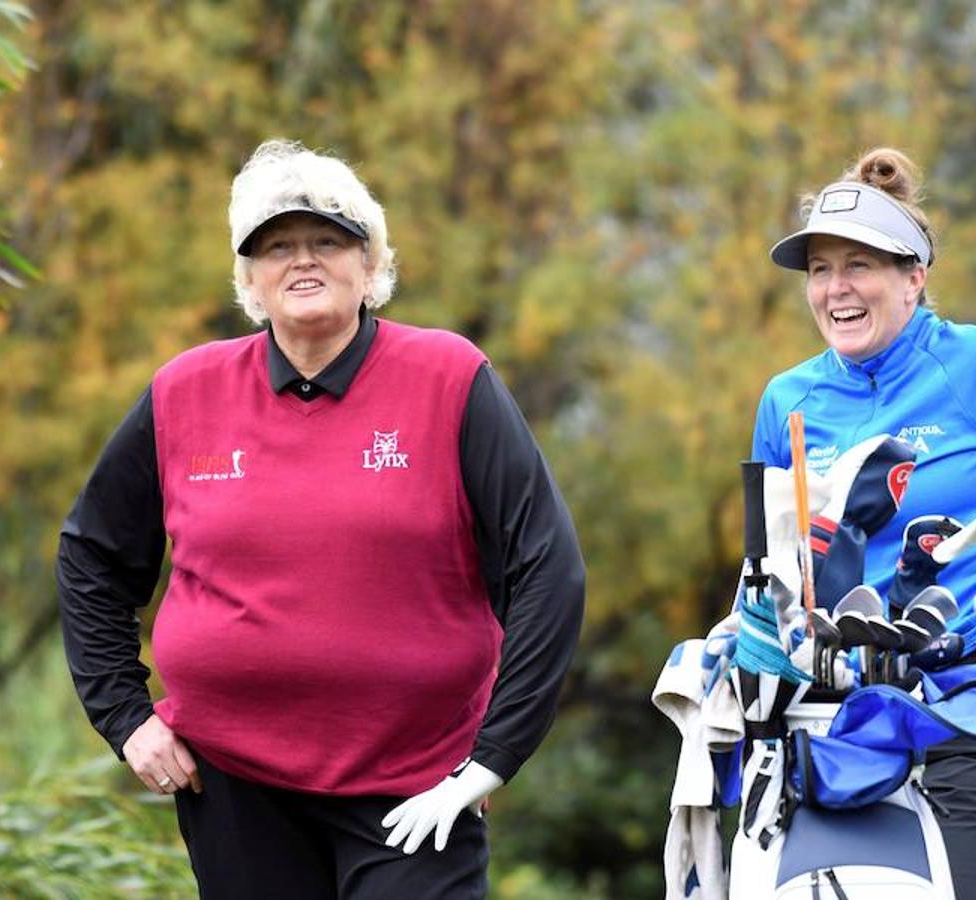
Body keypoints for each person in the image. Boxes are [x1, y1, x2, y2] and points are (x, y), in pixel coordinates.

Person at [57, 139, 586, 899]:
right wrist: (125, 716)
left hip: (414, 789)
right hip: (232, 787)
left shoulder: (451, 377)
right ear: (250, 281)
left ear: (370, 267)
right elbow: (91, 558)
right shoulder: (184, 391)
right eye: (276, 248)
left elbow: (549, 568)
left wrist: (493, 758)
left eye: (327, 241)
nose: (302, 261)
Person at [752, 148, 976, 899]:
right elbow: (768, 571)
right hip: (833, 729)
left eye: (860, 266)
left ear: (915, 277)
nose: (836, 289)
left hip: (973, 715)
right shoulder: (787, 403)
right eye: (819, 268)